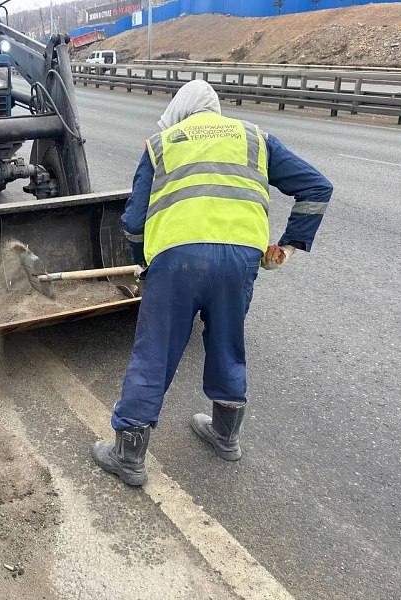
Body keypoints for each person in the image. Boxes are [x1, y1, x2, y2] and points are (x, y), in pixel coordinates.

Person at [92, 80, 333, 486]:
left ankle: (129, 455)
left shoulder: (162, 144)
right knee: (227, 341)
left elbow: (133, 222)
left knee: (155, 351)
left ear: (179, 113)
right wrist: (288, 246)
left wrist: (145, 263)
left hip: (177, 261)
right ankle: (226, 436)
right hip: (241, 260)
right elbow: (317, 187)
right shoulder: (256, 139)